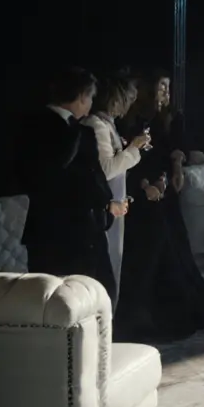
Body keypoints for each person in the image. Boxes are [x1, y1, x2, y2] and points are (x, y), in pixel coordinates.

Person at [116, 71, 204, 341]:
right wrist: (146, 184)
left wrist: (171, 173)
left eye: (168, 87)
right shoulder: (135, 119)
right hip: (142, 189)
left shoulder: (171, 117)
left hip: (164, 185)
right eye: (162, 87)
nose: (166, 92)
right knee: (149, 248)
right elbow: (135, 157)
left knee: (173, 241)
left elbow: (175, 148)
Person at [18, 67, 127, 298]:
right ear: (81, 97)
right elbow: (54, 171)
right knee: (58, 299)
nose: (90, 104)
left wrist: (107, 203)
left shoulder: (82, 130)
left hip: (89, 228)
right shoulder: (37, 124)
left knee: (102, 293)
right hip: (53, 231)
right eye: (89, 97)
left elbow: (93, 173)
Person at [82, 73, 148, 305]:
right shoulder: (96, 125)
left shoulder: (107, 123)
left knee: (115, 261)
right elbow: (106, 169)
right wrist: (134, 149)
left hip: (116, 201)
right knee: (107, 263)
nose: (130, 104)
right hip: (104, 206)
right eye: (128, 98)